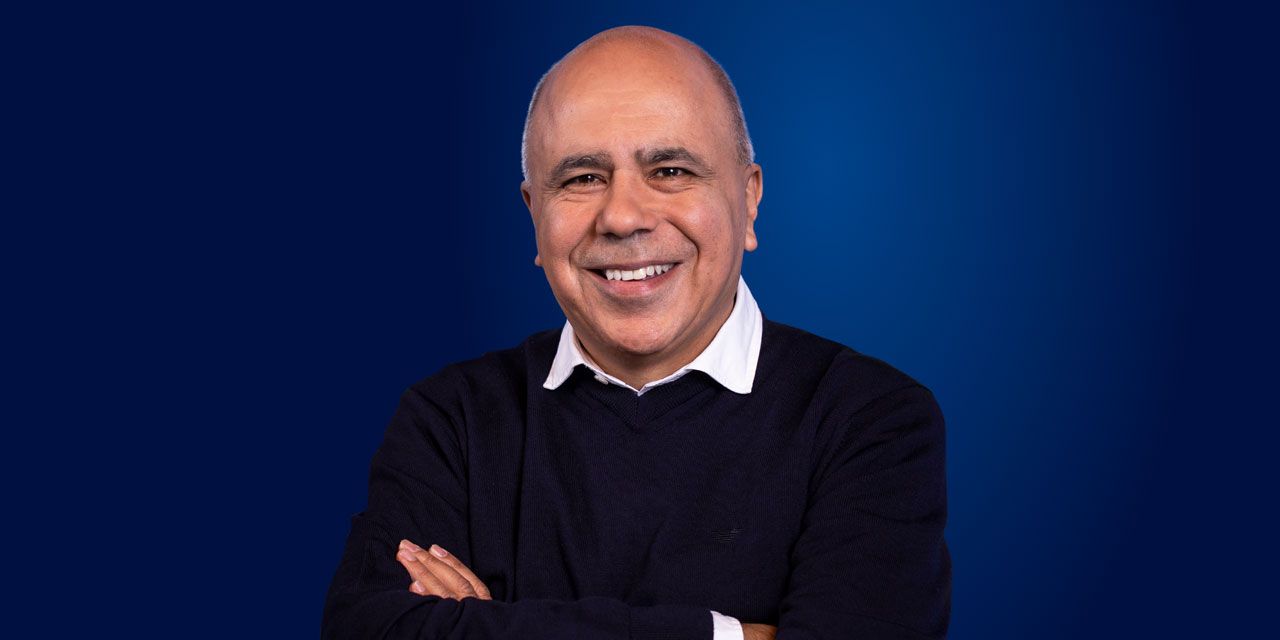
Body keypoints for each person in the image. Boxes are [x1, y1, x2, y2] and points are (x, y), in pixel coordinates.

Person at [323, 26, 950, 640]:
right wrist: (730, 635)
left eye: (671, 170)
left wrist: (484, 626)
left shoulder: (870, 420)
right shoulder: (450, 421)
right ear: (534, 216)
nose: (623, 217)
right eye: (582, 178)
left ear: (749, 200)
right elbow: (366, 629)